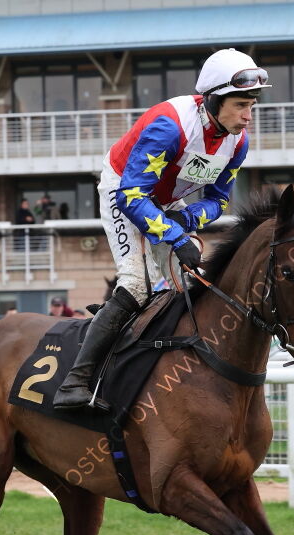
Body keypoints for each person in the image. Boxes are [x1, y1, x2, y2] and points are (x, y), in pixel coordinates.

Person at [54, 47, 267, 409]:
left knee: (190, 283)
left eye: (252, 106)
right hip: (124, 191)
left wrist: (185, 221)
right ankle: (75, 381)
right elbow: (132, 196)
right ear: (214, 100)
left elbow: (219, 201)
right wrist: (174, 236)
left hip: (165, 202)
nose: (248, 117)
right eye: (241, 106)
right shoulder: (169, 126)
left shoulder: (238, 143)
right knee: (137, 287)